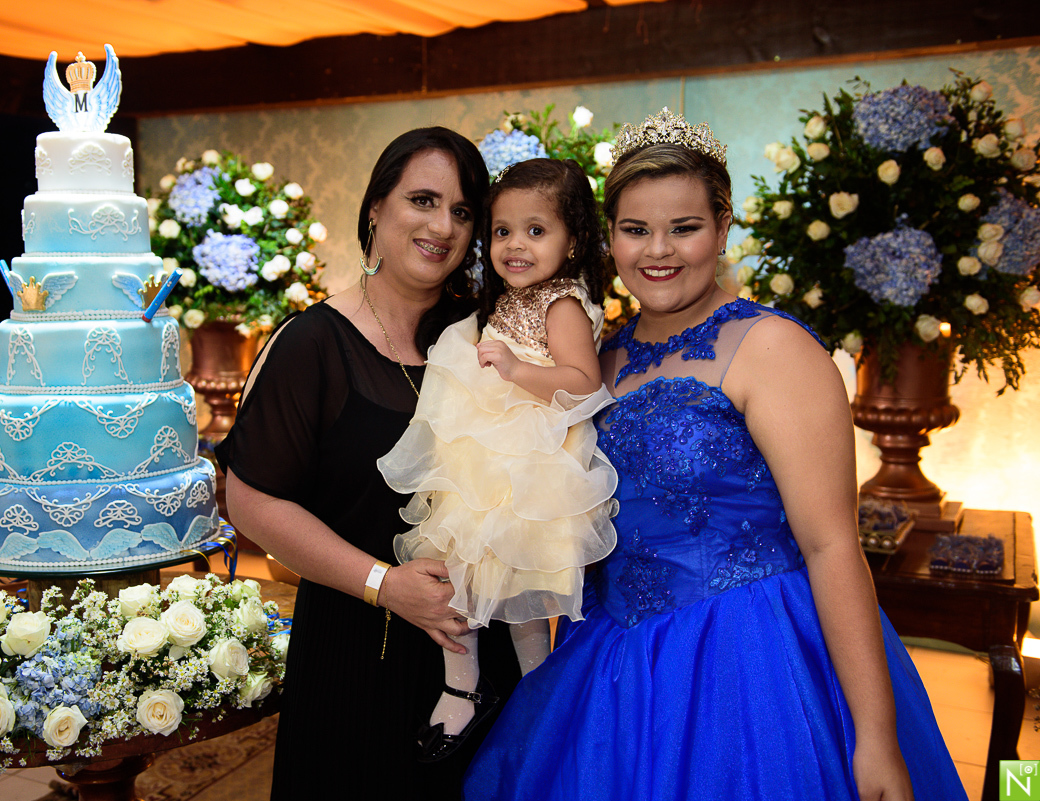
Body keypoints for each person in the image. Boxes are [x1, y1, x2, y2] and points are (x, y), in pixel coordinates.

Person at [463, 109, 966, 800]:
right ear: (608, 237)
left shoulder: (773, 347)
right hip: (610, 667)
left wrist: (873, 733)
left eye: (685, 227)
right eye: (635, 229)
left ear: (723, 226)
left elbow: (830, 546)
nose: (657, 250)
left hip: (749, 663)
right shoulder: (596, 356)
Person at [216, 127, 521, 801]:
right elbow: (251, 500)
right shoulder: (311, 345)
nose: (443, 225)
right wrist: (387, 583)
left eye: (463, 211)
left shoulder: (485, 337)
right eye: (422, 199)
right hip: (360, 645)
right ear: (376, 208)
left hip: (478, 646)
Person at [377, 158, 619, 761]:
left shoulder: (560, 304)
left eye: (536, 231)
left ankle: (539, 694)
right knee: (456, 575)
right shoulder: (507, 299)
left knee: (521, 590)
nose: (515, 245)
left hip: (529, 467)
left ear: (574, 240)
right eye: (504, 231)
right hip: (480, 465)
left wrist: (516, 369)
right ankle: (462, 684)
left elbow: (584, 382)